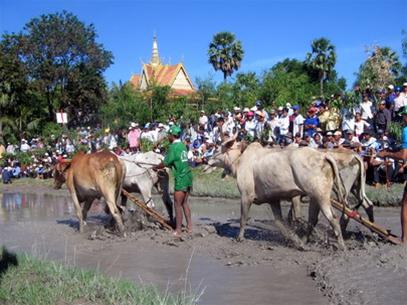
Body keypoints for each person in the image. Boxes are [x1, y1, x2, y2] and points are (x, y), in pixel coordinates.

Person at [155, 125, 193, 237]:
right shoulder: (182, 145)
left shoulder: (173, 147)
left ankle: (178, 230)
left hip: (180, 177)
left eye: (169, 135)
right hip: (188, 176)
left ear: (172, 136)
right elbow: (175, 161)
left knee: (177, 204)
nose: (168, 137)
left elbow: (165, 163)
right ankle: (189, 227)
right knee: (185, 203)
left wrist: (156, 167)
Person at [377, 107, 407, 244]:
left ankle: (404, 239)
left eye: (403, 117)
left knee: (405, 203)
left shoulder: (406, 131)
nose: (402, 119)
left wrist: (387, 154)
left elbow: (403, 155)